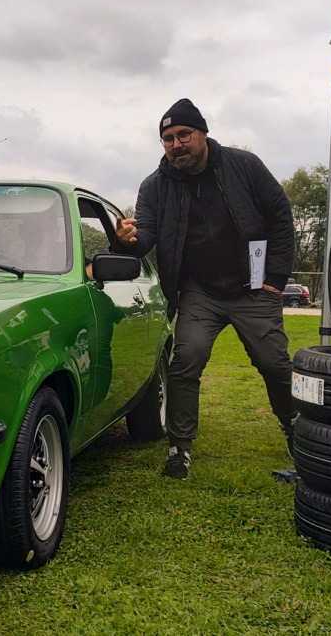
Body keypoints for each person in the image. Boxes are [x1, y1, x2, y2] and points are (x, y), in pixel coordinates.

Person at [115, 98, 296, 480]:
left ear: (203, 133)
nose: (177, 144)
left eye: (184, 134)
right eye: (168, 139)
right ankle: (180, 448)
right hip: (199, 291)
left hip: (253, 286)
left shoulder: (245, 166)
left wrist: (275, 280)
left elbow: (280, 214)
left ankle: (295, 429)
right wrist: (129, 241)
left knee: (274, 363)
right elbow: (146, 235)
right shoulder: (153, 186)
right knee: (186, 361)